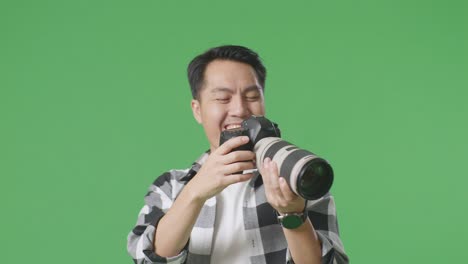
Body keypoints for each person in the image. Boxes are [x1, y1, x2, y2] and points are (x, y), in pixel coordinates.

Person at [127, 45, 349, 264]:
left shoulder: (298, 177)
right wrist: (195, 192)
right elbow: (148, 260)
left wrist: (293, 215)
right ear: (197, 110)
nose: (240, 110)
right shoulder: (171, 187)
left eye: (252, 97)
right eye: (223, 99)